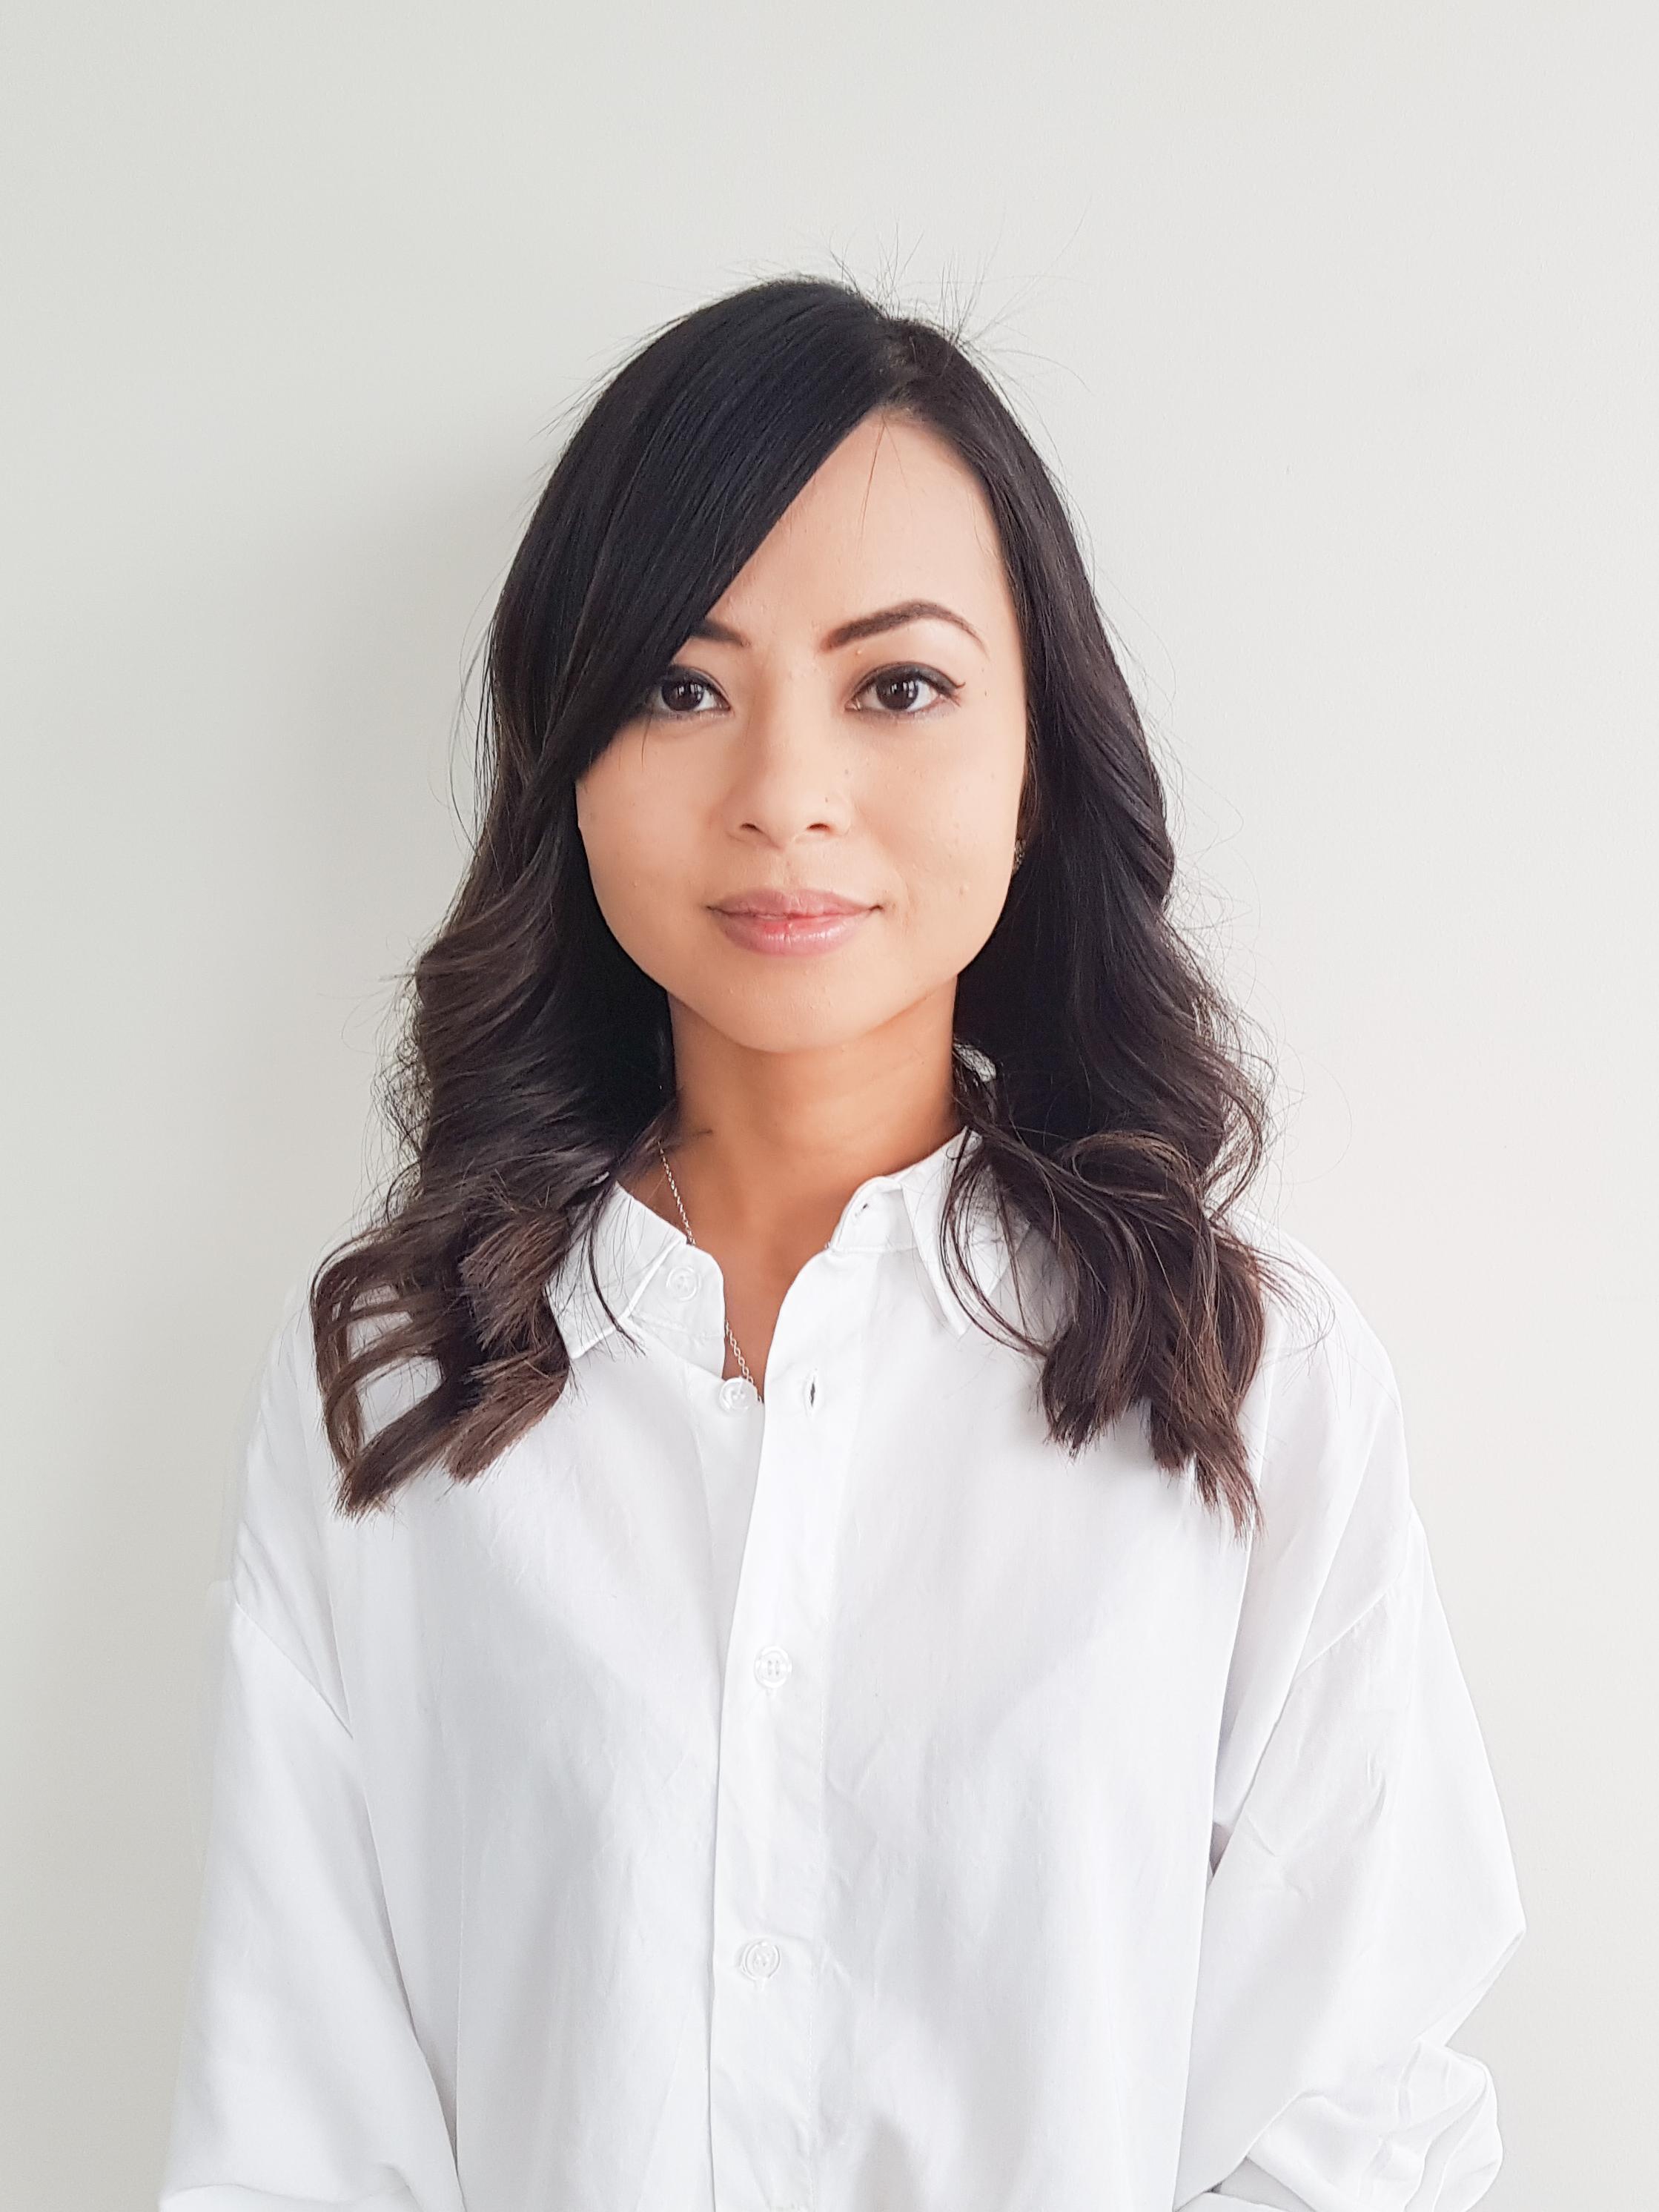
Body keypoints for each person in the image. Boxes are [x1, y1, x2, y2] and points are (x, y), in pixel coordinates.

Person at [158, 276, 1524, 2212]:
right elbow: (297, 2124)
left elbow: (1353, 2122)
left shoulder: (1250, 1384)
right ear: (570, 755)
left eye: (899, 687)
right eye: (681, 685)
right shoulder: (400, 1392)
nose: (785, 794)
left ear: (1036, 756)